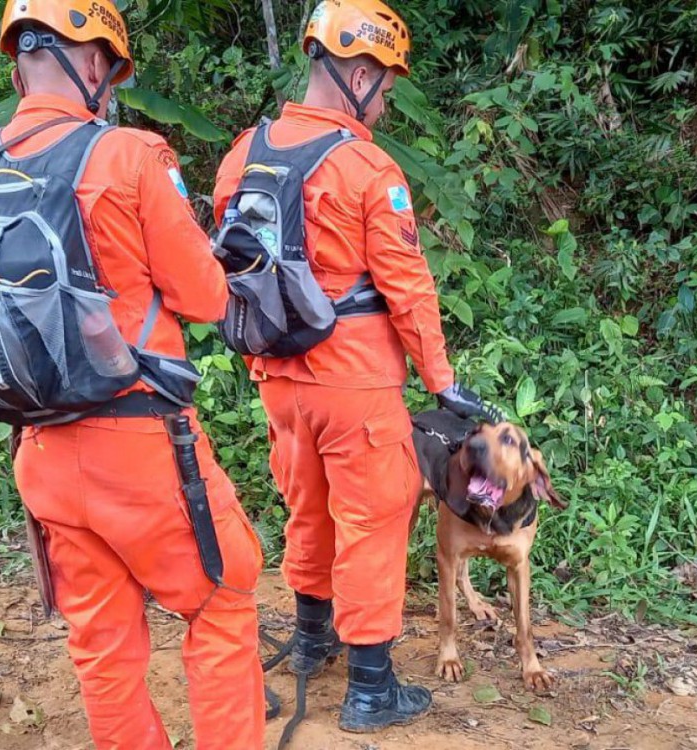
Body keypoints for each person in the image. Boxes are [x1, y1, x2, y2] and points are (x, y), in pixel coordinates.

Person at [0, 1, 265, 748]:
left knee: (102, 643)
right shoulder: (132, 156)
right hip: (141, 450)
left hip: (41, 457)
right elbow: (206, 299)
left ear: (18, 63)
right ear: (97, 63)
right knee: (225, 595)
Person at [213, 0, 500, 733]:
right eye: (386, 85)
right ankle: (372, 687)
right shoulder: (369, 167)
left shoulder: (244, 151)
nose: (386, 100)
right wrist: (442, 381)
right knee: (372, 522)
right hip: (356, 385)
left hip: (278, 381)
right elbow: (408, 285)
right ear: (361, 71)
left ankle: (313, 640)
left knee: (307, 509)